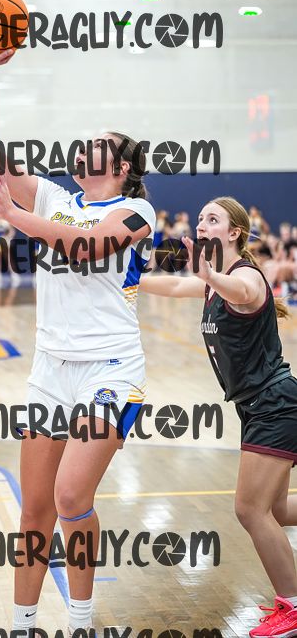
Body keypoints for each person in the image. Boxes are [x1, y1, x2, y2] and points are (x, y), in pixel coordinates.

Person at [0, 48, 156, 634]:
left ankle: (81, 619)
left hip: (109, 368)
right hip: (50, 368)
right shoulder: (53, 197)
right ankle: (22, 624)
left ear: (119, 165)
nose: (83, 147)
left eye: (97, 143)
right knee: (34, 510)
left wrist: (14, 217)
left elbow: (85, 248)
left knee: (72, 496)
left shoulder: (136, 211)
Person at [139, 196, 297, 638]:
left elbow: (244, 292)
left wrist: (210, 275)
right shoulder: (214, 282)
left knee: (249, 509)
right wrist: (126, 279)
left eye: (213, 219)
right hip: (258, 406)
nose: (202, 225)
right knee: (276, 509)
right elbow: (174, 288)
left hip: (274, 403)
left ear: (234, 232)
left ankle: (293, 606)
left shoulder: (245, 276)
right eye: (201, 219)